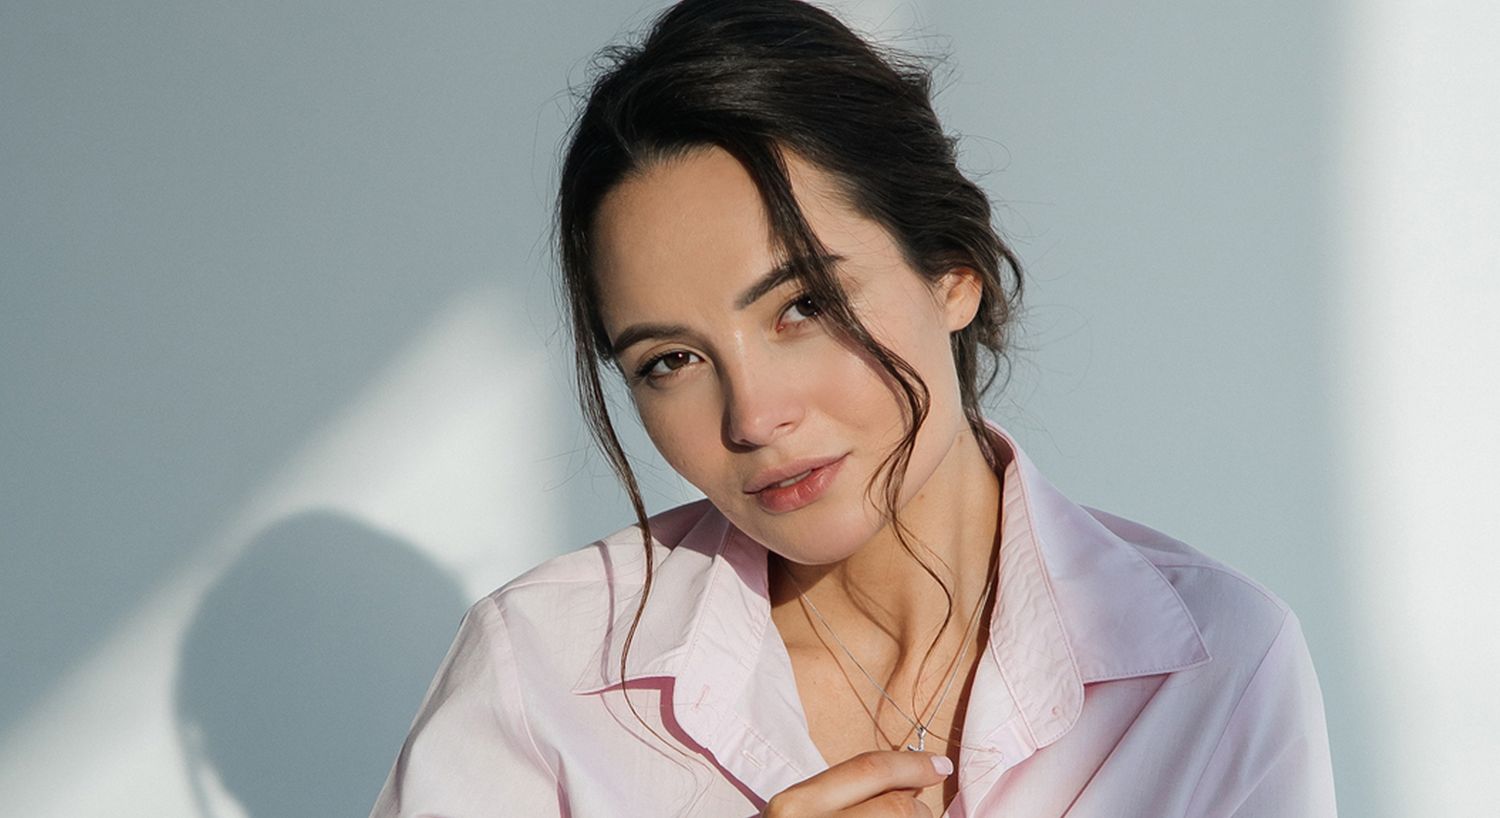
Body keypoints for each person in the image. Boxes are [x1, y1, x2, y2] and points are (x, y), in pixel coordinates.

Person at [368, 1, 1337, 816]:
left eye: (803, 306)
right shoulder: (543, 676)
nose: (751, 414)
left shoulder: (1214, 667)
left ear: (953, 269)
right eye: (670, 359)